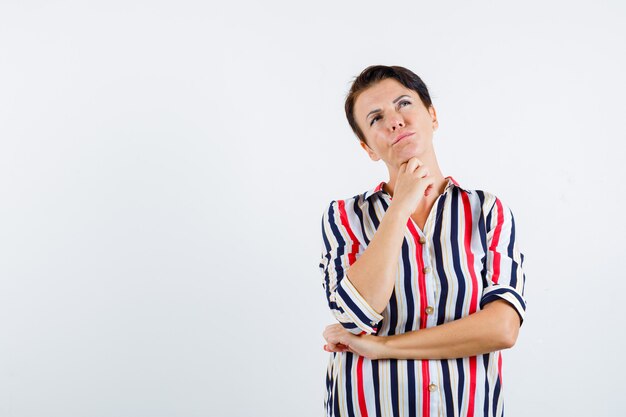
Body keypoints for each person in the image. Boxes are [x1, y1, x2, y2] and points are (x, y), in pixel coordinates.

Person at [318, 65, 527, 417]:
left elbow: (503, 328)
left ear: (432, 115)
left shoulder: (487, 211)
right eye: (376, 118)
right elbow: (355, 317)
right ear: (368, 148)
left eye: (404, 104)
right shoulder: (345, 216)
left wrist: (384, 347)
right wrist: (399, 208)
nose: (395, 121)